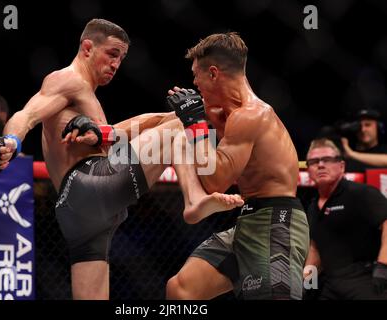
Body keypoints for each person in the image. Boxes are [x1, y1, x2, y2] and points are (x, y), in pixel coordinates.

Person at [0, 18, 243, 300]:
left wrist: (182, 111)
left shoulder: (86, 99)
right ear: (87, 48)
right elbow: (27, 114)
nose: (116, 64)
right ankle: (194, 200)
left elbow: (133, 126)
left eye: (122, 58)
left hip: (77, 213)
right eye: (112, 54)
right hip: (90, 184)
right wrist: (11, 141)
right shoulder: (68, 79)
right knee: (181, 128)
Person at [165, 32, 310, 300]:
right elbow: (161, 121)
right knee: (181, 289)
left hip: (277, 222)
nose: (193, 83)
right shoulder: (222, 113)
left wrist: (196, 125)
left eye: (196, 75)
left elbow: (214, 181)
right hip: (247, 220)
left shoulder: (251, 116)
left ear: (213, 73)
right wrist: (105, 133)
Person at [304, 138, 387, 299]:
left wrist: (384, 266)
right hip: (331, 285)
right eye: (314, 161)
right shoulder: (312, 208)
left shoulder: (361, 193)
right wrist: (307, 284)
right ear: (308, 169)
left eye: (327, 160)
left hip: (366, 280)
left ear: (341, 166)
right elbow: (314, 251)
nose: (320, 165)